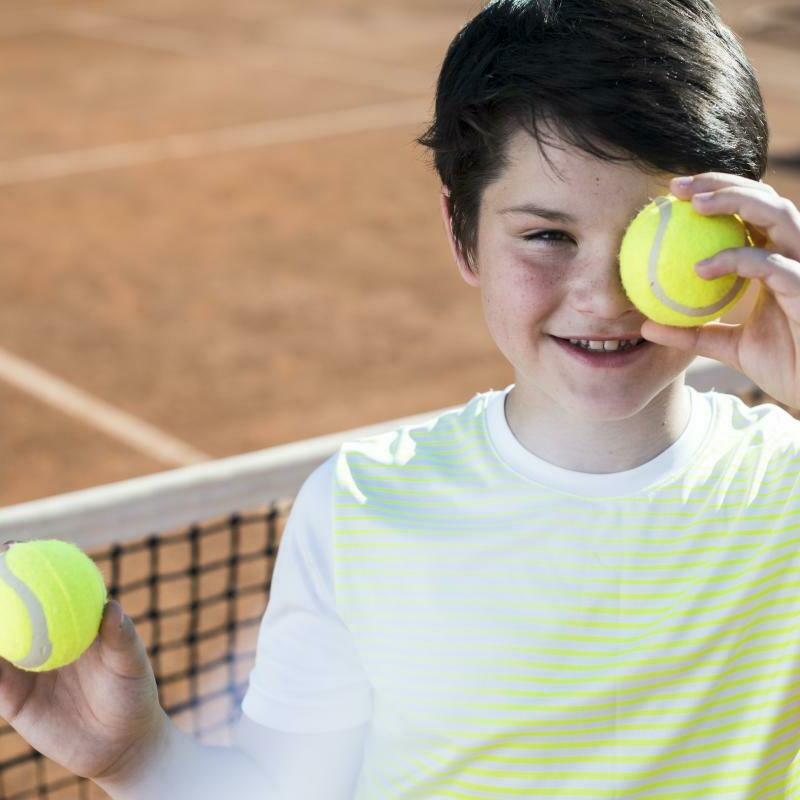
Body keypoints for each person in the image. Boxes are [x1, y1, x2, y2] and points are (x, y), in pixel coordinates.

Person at [3, 0, 800, 796]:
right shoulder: (359, 509)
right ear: (462, 233)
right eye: (548, 236)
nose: (602, 299)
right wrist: (141, 760)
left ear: (742, 238)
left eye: (647, 244)